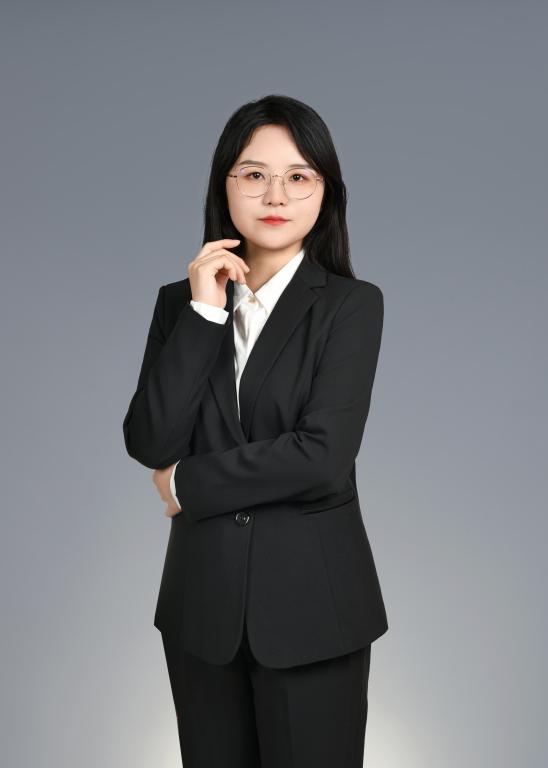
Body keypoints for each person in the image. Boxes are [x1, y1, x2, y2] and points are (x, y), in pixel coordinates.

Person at [123, 93, 388, 768]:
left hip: (313, 610)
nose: (276, 195)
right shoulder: (179, 305)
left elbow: (321, 457)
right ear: (225, 184)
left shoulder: (351, 306)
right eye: (254, 174)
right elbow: (150, 440)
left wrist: (186, 484)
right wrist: (204, 315)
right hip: (200, 609)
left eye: (299, 176)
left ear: (326, 192)